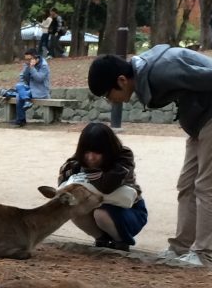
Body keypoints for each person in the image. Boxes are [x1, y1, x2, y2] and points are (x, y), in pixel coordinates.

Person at [89, 47, 212, 267]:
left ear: (122, 80)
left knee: (205, 185)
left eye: (108, 94)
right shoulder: (148, 73)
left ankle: (205, 253)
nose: (112, 101)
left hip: (209, 118)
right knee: (187, 185)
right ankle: (181, 248)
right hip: (200, 123)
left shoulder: (163, 71)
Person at [57, 122, 148, 252]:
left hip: (127, 210)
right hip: (96, 208)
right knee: (74, 209)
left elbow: (107, 186)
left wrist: (85, 172)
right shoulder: (77, 161)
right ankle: (101, 240)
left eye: (97, 152)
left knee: (101, 214)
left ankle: (121, 242)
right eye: (87, 152)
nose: (91, 157)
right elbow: (62, 183)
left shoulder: (123, 156)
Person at [12, 49, 50, 126]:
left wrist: (32, 68)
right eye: (26, 59)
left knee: (19, 97)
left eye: (29, 59)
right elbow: (22, 77)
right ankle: (27, 101)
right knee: (18, 86)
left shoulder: (44, 66)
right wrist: (24, 84)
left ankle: (21, 120)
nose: (27, 61)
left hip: (40, 90)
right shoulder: (27, 64)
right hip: (28, 89)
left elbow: (39, 79)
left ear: (36, 58)